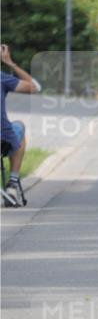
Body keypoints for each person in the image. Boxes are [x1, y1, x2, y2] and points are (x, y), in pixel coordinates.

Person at [1, 44, 42, 207]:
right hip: (2, 141)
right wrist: (9, 63)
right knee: (19, 126)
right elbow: (35, 87)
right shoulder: (2, 78)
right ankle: (12, 184)